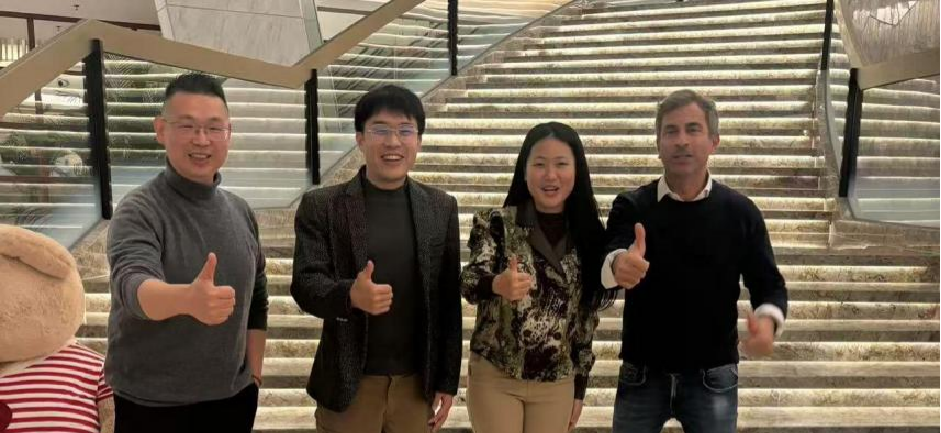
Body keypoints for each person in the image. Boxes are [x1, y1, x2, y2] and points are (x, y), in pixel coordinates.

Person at [603, 89, 788, 433]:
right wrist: (618, 265)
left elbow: (768, 283)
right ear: (658, 143)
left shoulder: (740, 212)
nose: (681, 141)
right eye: (671, 131)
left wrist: (767, 322)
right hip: (642, 372)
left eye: (693, 129)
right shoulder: (632, 205)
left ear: (714, 140)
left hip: (713, 375)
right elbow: (611, 253)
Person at [290, 85, 462, 433]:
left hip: (415, 386)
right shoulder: (323, 206)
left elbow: (448, 301)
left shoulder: (440, 207)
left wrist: (447, 379)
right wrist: (349, 295)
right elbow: (305, 284)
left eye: (405, 131)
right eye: (380, 130)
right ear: (360, 138)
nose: (393, 142)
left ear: (419, 140)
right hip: (350, 385)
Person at [106, 73, 268, 433]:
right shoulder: (139, 209)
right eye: (187, 126)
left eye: (213, 128)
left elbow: (257, 296)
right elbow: (132, 284)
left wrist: (253, 375)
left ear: (228, 133)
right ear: (161, 130)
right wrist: (187, 300)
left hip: (232, 401)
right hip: (151, 406)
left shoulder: (241, 211)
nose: (201, 139)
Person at [460, 122, 614, 433]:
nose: (550, 175)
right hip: (497, 375)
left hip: (556, 381)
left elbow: (585, 319)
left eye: (561, 164)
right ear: (525, 172)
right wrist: (497, 284)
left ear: (577, 171)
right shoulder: (496, 224)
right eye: (540, 164)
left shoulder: (590, 237)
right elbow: (469, 280)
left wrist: (580, 387)